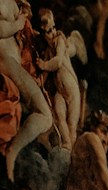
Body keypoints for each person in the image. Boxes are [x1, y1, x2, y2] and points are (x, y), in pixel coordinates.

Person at [0, 0, 54, 179]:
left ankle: (18, 151)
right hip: (4, 59)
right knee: (45, 114)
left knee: (46, 117)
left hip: (14, 61)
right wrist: (18, 23)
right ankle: (12, 153)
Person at [34, 6, 87, 151]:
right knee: (59, 116)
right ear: (42, 33)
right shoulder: (47, 51)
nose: (51, 34)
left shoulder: (60, 41)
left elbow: (57, 62)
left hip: (72, 91)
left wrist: (43, 65)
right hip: (60, 92)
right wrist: (40, 83)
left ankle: (72, 150)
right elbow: (44, 74)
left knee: (72, 124)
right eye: (47, 32)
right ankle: (67, 145)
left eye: (52, 29)